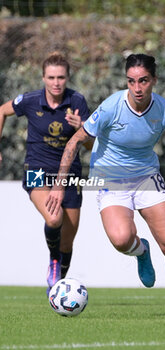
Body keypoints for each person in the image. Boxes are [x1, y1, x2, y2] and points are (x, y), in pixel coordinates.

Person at [46, 53, 165, 317]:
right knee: (121, 239)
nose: (137, 88)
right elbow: (74, 142)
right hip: (111, 180)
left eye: (143, 81)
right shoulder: (111, 107)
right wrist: (60, 185)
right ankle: (142, 251)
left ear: (154, 79)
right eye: (131, 81)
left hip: (146, 179)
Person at [0, 52, 90, 295]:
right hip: (37, 170)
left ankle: (59, 287)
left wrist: (81, 129)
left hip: (70, 174)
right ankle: (53, 260)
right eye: (51, 77)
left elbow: (91, 145)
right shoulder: (29, 100)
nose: (56, 82)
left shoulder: (77, 102)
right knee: (53, 218)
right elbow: (1, 111)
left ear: (68, 77)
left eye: (61, 77)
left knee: (67, 241)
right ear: (43, 78)